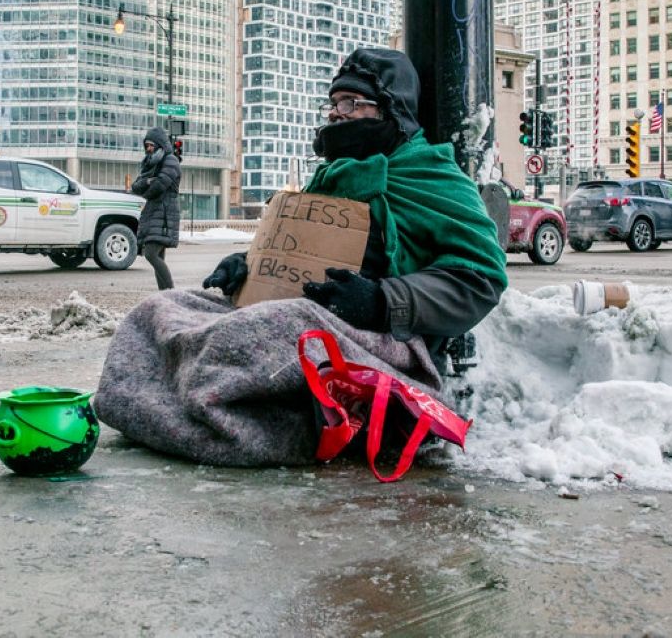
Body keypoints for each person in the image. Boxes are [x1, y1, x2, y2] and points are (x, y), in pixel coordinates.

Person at [94, 48, 507, 467]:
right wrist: (247, 267)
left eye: (350, 104)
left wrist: (383, 299)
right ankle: (174, 404)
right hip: (305, 315)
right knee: (160, 308)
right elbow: (295, 250)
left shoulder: (433, 178)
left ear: (390, 110)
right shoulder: (330, 175)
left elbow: (482, 277)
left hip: (384, 339)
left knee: (278, 326)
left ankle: (205, 415)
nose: (336, 114)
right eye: (333, 103)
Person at [131, 127, 182, 290]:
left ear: (160, 144)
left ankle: (171, 293)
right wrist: (147, 182)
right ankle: (164, 294)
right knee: (158, 255)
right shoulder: (149, 163)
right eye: (146, 145)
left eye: (151, 145)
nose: (148, 148)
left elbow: (160, 185)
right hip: (154, 210)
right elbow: (136, 186)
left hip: (165, 212)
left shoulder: (170, 160)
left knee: (151, 253)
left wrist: (147, 188)